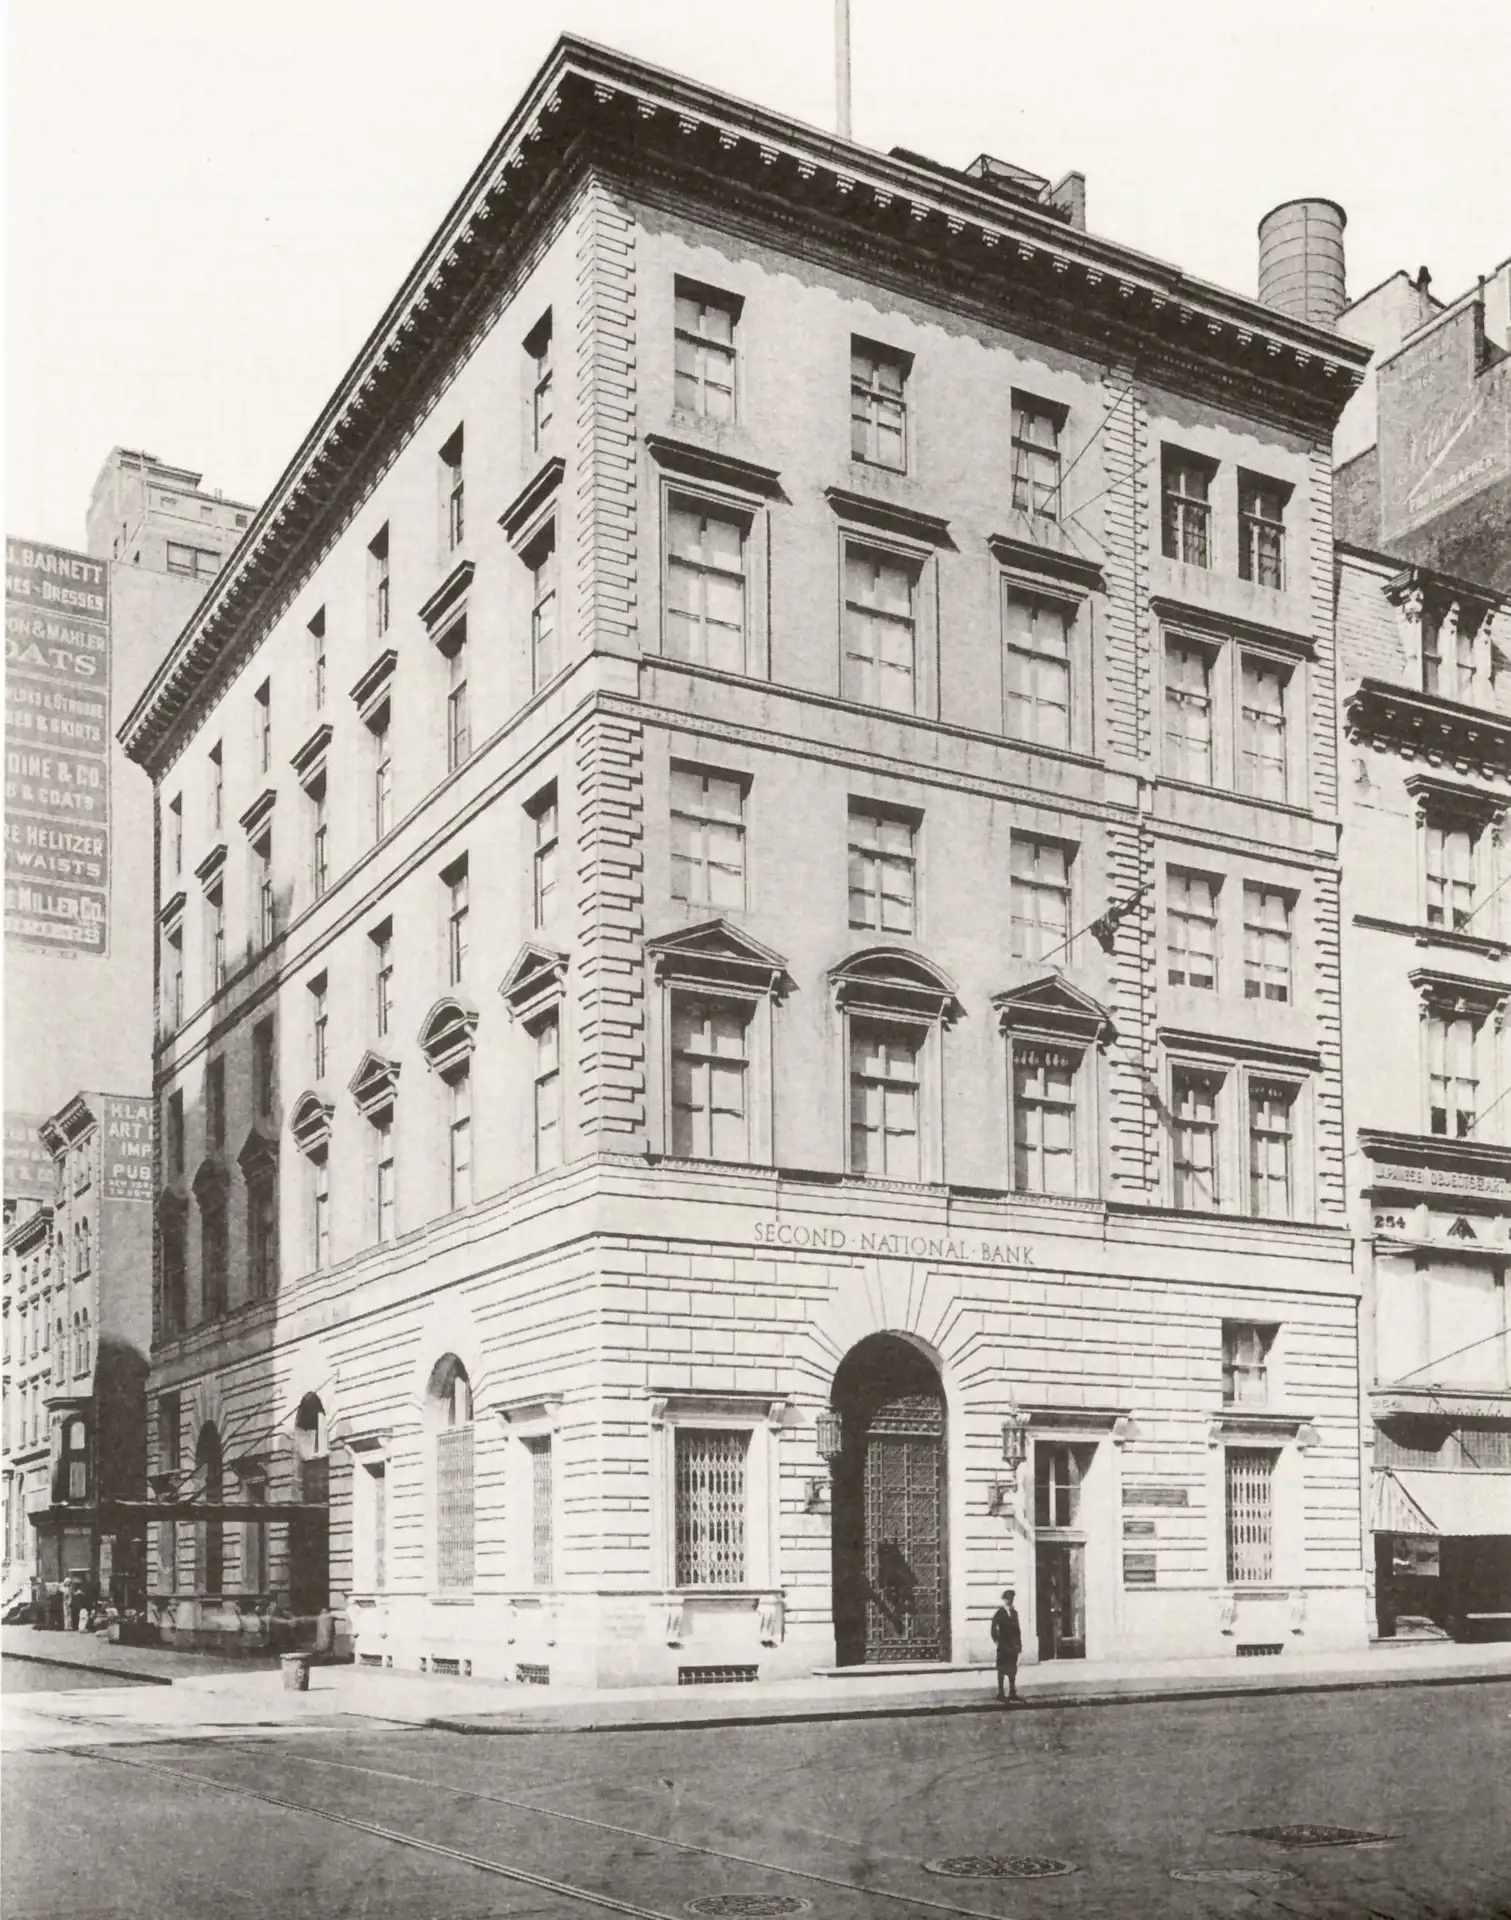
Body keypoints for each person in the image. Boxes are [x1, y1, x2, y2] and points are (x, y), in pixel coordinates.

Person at [991, 1587, 1023, 1703]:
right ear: (1004, 1600)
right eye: (1008, 1599)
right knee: (1002, 1669)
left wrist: (1019, 1644)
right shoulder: (999, 1613)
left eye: (1011, 1599)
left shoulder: (1014, 1613)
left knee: (1012, 1669)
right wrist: (997, 1640)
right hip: (1003, 1646)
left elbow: (1017, 1630)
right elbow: (993, 1628)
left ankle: (1012, 1692)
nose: (1010, 1601)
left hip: (1013, 1646)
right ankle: (1000, 1693)